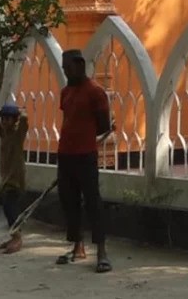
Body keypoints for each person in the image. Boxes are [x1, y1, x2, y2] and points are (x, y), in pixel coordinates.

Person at [55, 49, 113, 273]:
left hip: (85, 155)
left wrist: (84, 136)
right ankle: (77, 245)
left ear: (80, 65)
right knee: (68, 201)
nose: (66, 72)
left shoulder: (95, 92)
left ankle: (102, 252)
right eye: (64, 68)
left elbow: (104, 125)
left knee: (92, 202)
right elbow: (67, 119)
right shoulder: (65, 92)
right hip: (65, 154)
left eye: (68, 68)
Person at [0, 102, 28, 254]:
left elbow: (24, 120)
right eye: (3, 119)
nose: (4, 122)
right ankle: (14, 236)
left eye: (8, 119)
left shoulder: (17, 135)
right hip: (6, 178)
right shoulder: (4, 134)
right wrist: (0, 114)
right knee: (8, 209)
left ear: (14, 120)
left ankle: (17, 237)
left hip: (15, 179)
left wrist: (19, 113)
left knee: (10, 208)